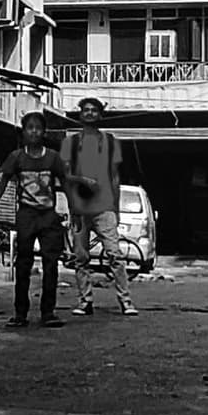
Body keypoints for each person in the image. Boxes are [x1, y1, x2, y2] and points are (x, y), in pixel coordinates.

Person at [57, 97, 135, 315]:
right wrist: (73, 202)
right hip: (79, 208)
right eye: (86, 110)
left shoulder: (110, 141)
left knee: (115, 254)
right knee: (80, 258)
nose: (90, 113)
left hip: (105, 207)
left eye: (94, 110)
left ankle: (126, 301)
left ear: (100, 115)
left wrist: (116, 208)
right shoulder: (71, 143)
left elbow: (115, 177)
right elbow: (64, 176)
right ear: (80, 114)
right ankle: (85, 301)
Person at [0, 113, 71, 326]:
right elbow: (3, 182)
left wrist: (73, 210)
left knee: (51, 264)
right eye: (30, 127)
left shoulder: (53, 158)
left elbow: (65, 183)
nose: (34, 132)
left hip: (48, 216)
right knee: (23, 264)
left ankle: (48, 312)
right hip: (26, 215)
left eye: (38, 128)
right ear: (23, 131)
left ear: (44, 132)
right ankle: (20, 313)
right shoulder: (16, 157)